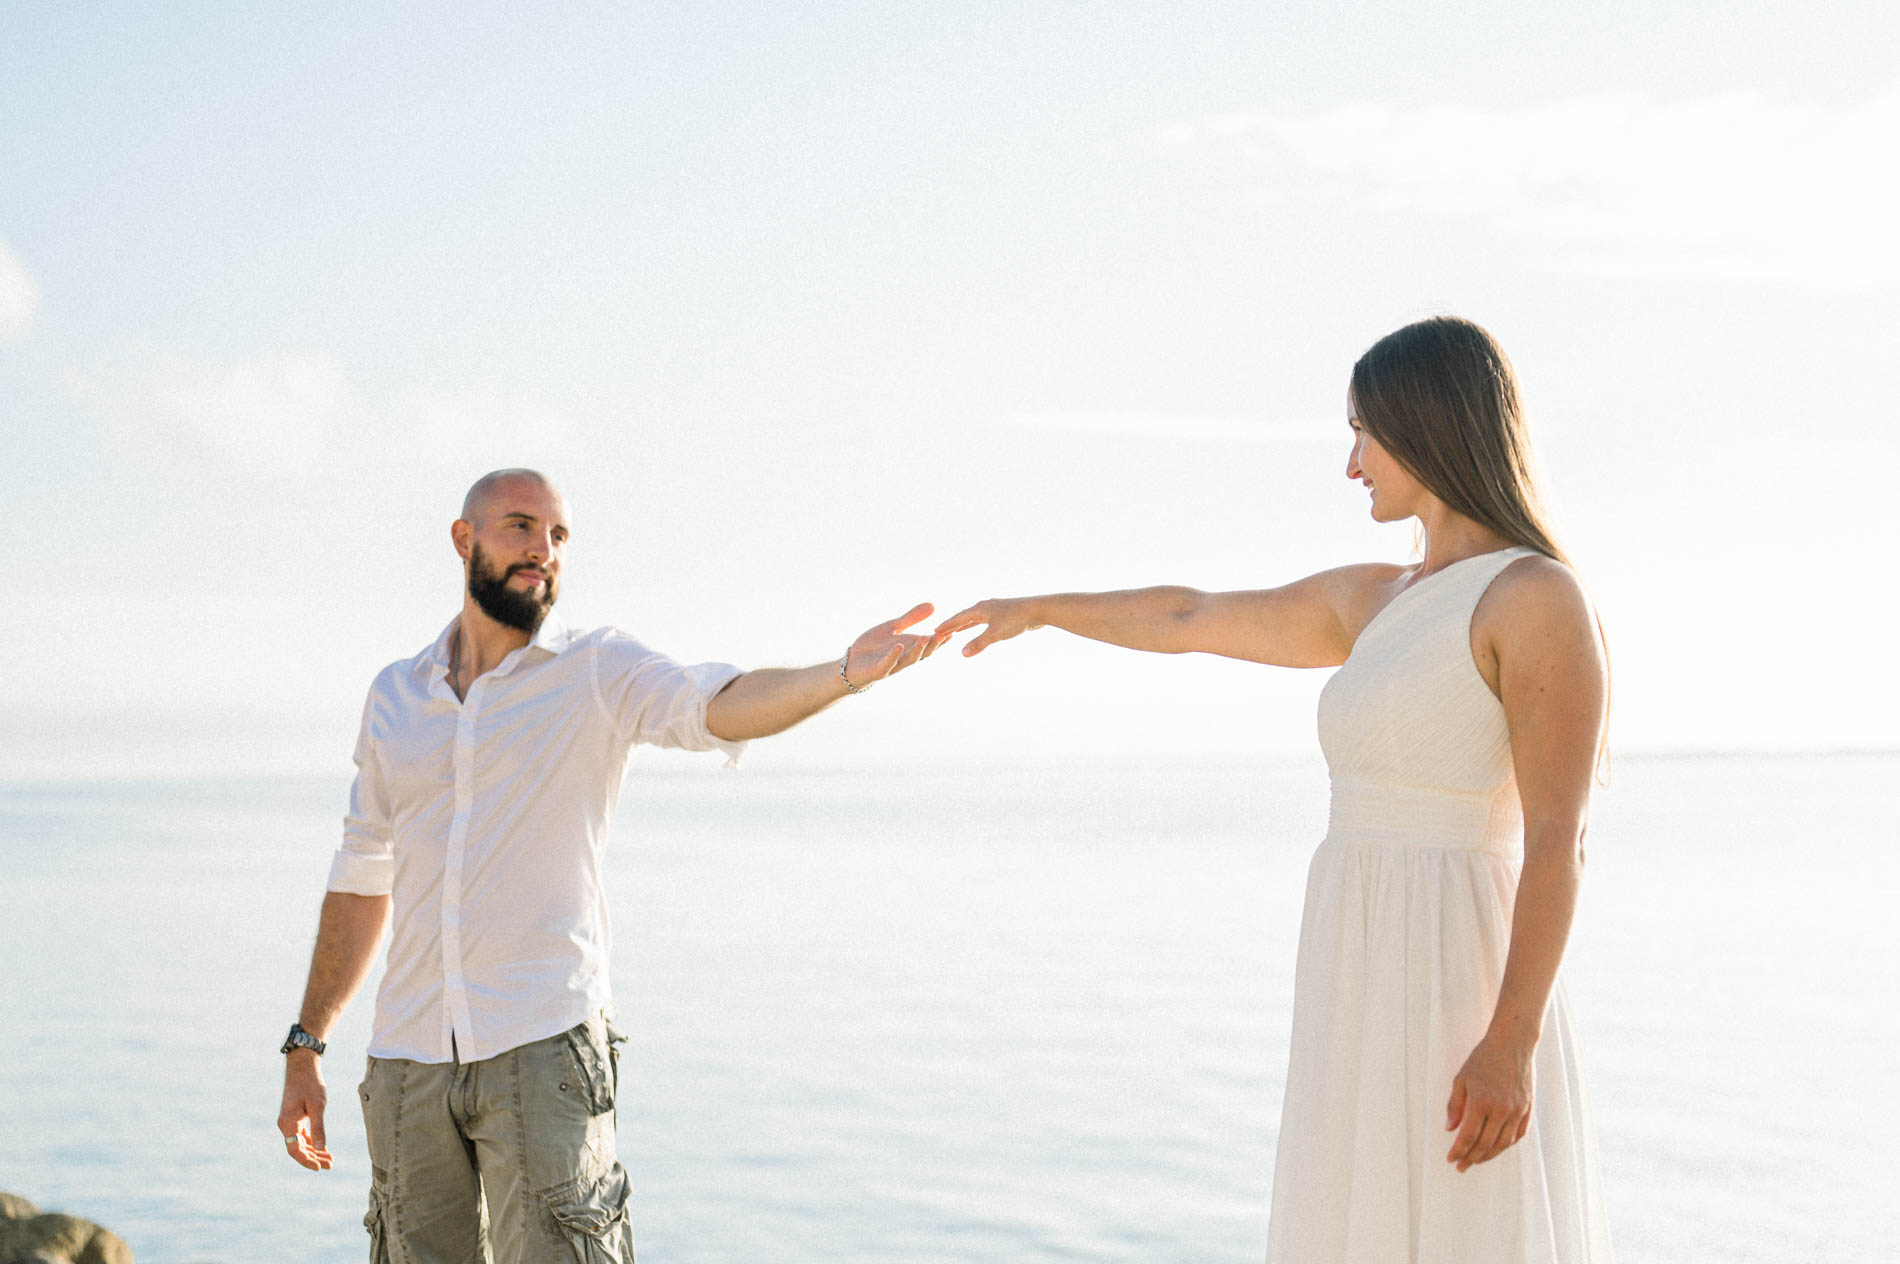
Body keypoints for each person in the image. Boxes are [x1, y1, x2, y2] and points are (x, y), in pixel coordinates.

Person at [934, 317, 1614, 1262]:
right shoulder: (1376, 598)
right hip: (1358, 955)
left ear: (1426, 425)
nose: (1351, 464)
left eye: (1363, 432)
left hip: (1463, 969)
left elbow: (1556, 836)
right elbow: (1191, 615)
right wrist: (1041, 611)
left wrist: (1511, 1041)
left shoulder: (1534, 596)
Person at [276, 468, 945, 1263]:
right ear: (464, 540)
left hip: (542, 1044)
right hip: (407, 1059)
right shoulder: (395, 695)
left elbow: (718, 703)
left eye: (558, 536)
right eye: (521, 526)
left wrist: (840, 675)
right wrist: (306, 1042)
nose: (543, 550)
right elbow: (362, 871)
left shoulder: (595, 669)